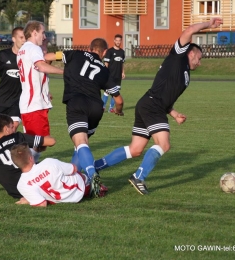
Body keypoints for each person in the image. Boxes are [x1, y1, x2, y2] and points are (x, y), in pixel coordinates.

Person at [94, 18, 223, 195]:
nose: (199, 63)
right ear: (191, 53)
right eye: (199, 58)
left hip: (148, 104)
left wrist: (175, 113)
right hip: (152, 106)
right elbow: (189, 30)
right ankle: (139, 177)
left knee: (135, 149)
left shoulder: (184, 73)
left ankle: (95, 166)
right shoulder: (178, 56)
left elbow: (166, 97)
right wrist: (209, 24)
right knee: (164, 144)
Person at [44, 38, 124, 197]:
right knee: (81, 145)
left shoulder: (74, 54)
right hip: (96, 107)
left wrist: (45, 80)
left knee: (80, 142)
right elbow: (119, 100)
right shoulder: (105, 70)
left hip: (77, 102)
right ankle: (74, 179)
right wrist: (118, 110)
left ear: (90, 47)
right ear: (104, 52)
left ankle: (92, 177)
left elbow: (48, 57)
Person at [16, 20, 63, 163]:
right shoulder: (33, 48)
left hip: (33, 103)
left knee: (39, 144)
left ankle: (28, 168)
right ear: (34, 32)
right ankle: (20, 168)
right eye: (42, 32)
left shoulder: (23, 50)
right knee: (42, 142)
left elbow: (39, 67)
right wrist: (65, 72)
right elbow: (41, 66)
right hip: (34, 104)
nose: (44, 36)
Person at [10, 142, 108, 207]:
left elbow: (42, 204)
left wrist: (28, 200)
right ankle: (93, 179)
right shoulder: (48, 162)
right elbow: (73, 169)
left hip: (61, 200)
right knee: (78, 156)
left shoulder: (21, 185)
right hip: (80, 189)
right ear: (31, 158)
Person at [0, 114, 56, 202]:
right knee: (52, 163)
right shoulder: (17, 137)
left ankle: (31, 197)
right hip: (38, 182)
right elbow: (51, 142)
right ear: (6, 129)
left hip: (16, 191)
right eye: (12, 127)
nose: (14, 129)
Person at [0, 27, 26, 132]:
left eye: (25, 37)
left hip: (18, 101)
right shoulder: (3, 55)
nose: (24, 40)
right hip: (1, 101)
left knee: (12, 128)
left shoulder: (28, 57)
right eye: (21, 37)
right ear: (13, 39)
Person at [102, 34, 125, 112]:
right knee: (107, 91)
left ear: (121, 41)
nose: (118, 42)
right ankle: (103, 107)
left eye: (119, 40)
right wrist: (105, 72)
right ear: (114, 41)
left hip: (118, 76)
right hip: (110, 75)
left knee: (116, 93)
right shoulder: (110, 51)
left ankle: (111, 108)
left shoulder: (122, 52)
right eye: (117, 40)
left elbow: (122, 63)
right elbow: (106, 63)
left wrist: (123, 72)